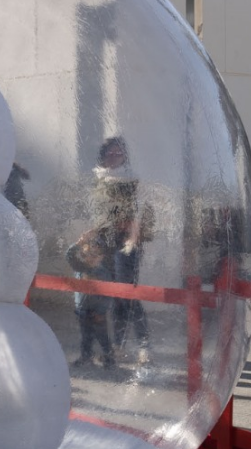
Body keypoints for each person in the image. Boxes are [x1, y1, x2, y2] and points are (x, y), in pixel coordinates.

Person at [92, 136, 153, 365]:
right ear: (103, 155)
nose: (114, 157)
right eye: (110, 153)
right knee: (115, 299)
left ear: (124, 156)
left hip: (125, 244)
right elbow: (97, 212)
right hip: (105, 244)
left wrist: (132, 239)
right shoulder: (99, 179)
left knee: (127, 295)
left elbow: (136, 215)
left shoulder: (129, 180)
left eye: (118, 154)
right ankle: (118, 346)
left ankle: (144, 346)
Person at [66, 230, 115, 369]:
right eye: (87, 254)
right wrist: (78, 243)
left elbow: (107, 294)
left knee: (102, 336)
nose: (91, 258)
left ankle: (109, 357)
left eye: (95, 255)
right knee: (85, 336)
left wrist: (101, 311)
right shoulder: (80, 268)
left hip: (97, 311)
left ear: (101, 256)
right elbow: (69, 256)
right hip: (82, 309)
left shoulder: (103, 273)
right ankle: (86, 357)